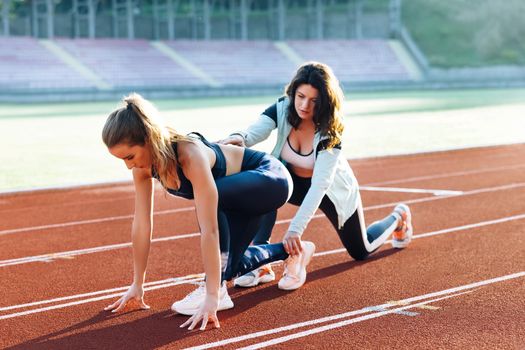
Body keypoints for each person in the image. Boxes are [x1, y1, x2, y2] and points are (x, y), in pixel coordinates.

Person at [101, 93, 316, 331]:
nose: (129, 165)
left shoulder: (189, 154)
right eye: (122, 160)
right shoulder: (142, 169)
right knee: (228, 266)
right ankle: (293, 251)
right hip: (239, 200)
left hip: (271, 179)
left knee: (215, 207)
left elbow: (210, 229)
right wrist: (137, 284)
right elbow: (142, 225)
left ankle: (217, 289)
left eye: (130, 156)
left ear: (149, 138)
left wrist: (213, 296)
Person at [219, 62, 413, 288]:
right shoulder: (283, 108)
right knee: (266, 182)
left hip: (331, 193)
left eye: (313, 100)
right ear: (293, 93)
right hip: (292, 183)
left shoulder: (330, 131)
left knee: (361, 250)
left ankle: (398, 218)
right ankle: (261, 265)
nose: (304, 105)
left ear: (324, 102)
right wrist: (238, 137)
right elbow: (254, 132)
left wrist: (295, 230)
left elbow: (320, 185)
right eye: (300, 96)